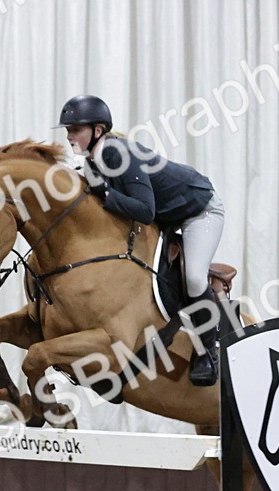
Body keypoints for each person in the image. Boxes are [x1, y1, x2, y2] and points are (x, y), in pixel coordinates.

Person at [57, 94, 225, 386]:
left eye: (76, 130)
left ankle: (208, 350)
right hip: (169, 214)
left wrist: (105, 194)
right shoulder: (92, 161)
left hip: (200, 210)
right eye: (68, 130)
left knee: (195, 278)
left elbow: (145, 211)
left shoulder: (120, 154)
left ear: (98, 130)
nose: (70, 136)